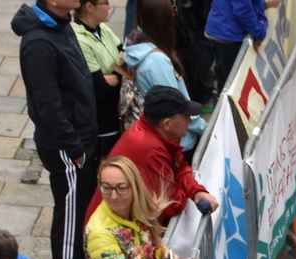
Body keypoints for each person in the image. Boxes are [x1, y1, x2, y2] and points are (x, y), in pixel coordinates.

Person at [14, 0, 97, 259]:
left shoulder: (61, 26)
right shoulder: (38, 42)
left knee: (79, 209)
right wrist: (73, 146)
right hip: (66, 145)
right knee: (70, 216)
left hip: (80, 138)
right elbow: (47, 104)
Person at [91, 88, 219, 222]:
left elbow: (179, 167)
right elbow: (170, 203)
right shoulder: (150, 148)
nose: (189, 121)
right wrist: (186, 191)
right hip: (110, 231)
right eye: (185, 116)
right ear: (167, 123)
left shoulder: (162, 132)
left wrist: (196, 191)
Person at [122, 0, 207, 150]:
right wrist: (206, 129)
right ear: (163, 21)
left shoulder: (135, 43)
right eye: (171, 14)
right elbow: (176, 105)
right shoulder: (157, 62)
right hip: (178, 142)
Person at [72, 0, 124, 159]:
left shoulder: (103, 28)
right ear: (89, 7)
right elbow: (100, 88)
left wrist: (113, 76)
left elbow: (126, 57)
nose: (109, 7)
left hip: (116, 114)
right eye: (105, 2)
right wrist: (121, 73)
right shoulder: (79, 40)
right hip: (102, 122)